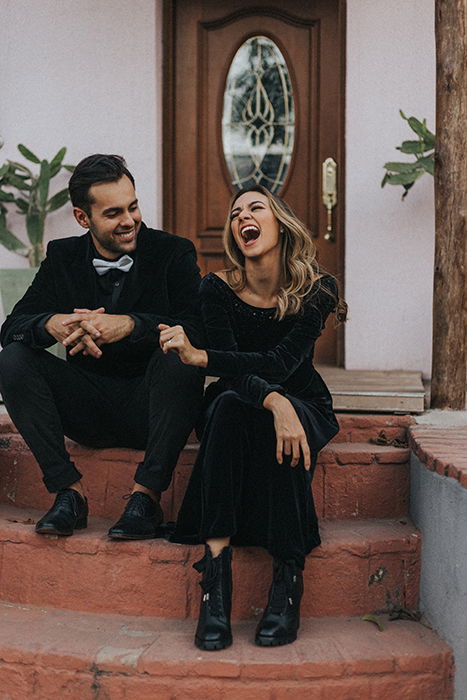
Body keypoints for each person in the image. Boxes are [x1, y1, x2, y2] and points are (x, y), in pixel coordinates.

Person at [158, 185, 347, 650]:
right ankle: (215, 582)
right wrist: (273, 403)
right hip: (242, 402)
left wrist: (207, 359)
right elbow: (239, 372)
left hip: (305, 400)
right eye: (236, 212)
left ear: (279, 223)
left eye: (256, 208)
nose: (244, 216)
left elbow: (282, 364)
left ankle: (287, 577)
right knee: (226, 405)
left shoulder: (318, 288)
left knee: (280, 424)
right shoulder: (217, 288)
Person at [0, 154, 204, 539]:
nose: (129, 220)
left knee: (182, 354)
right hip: (87, 409)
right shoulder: (63, 257)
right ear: (82, 218)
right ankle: (68, 494)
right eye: (113, 213)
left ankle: (145, 498)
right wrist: (52, 323)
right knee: (12, 359)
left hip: (154, 408)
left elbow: (201, 329)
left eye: (133, 206)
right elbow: (12, 327)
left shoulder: (173, 252)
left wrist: (129, 325)